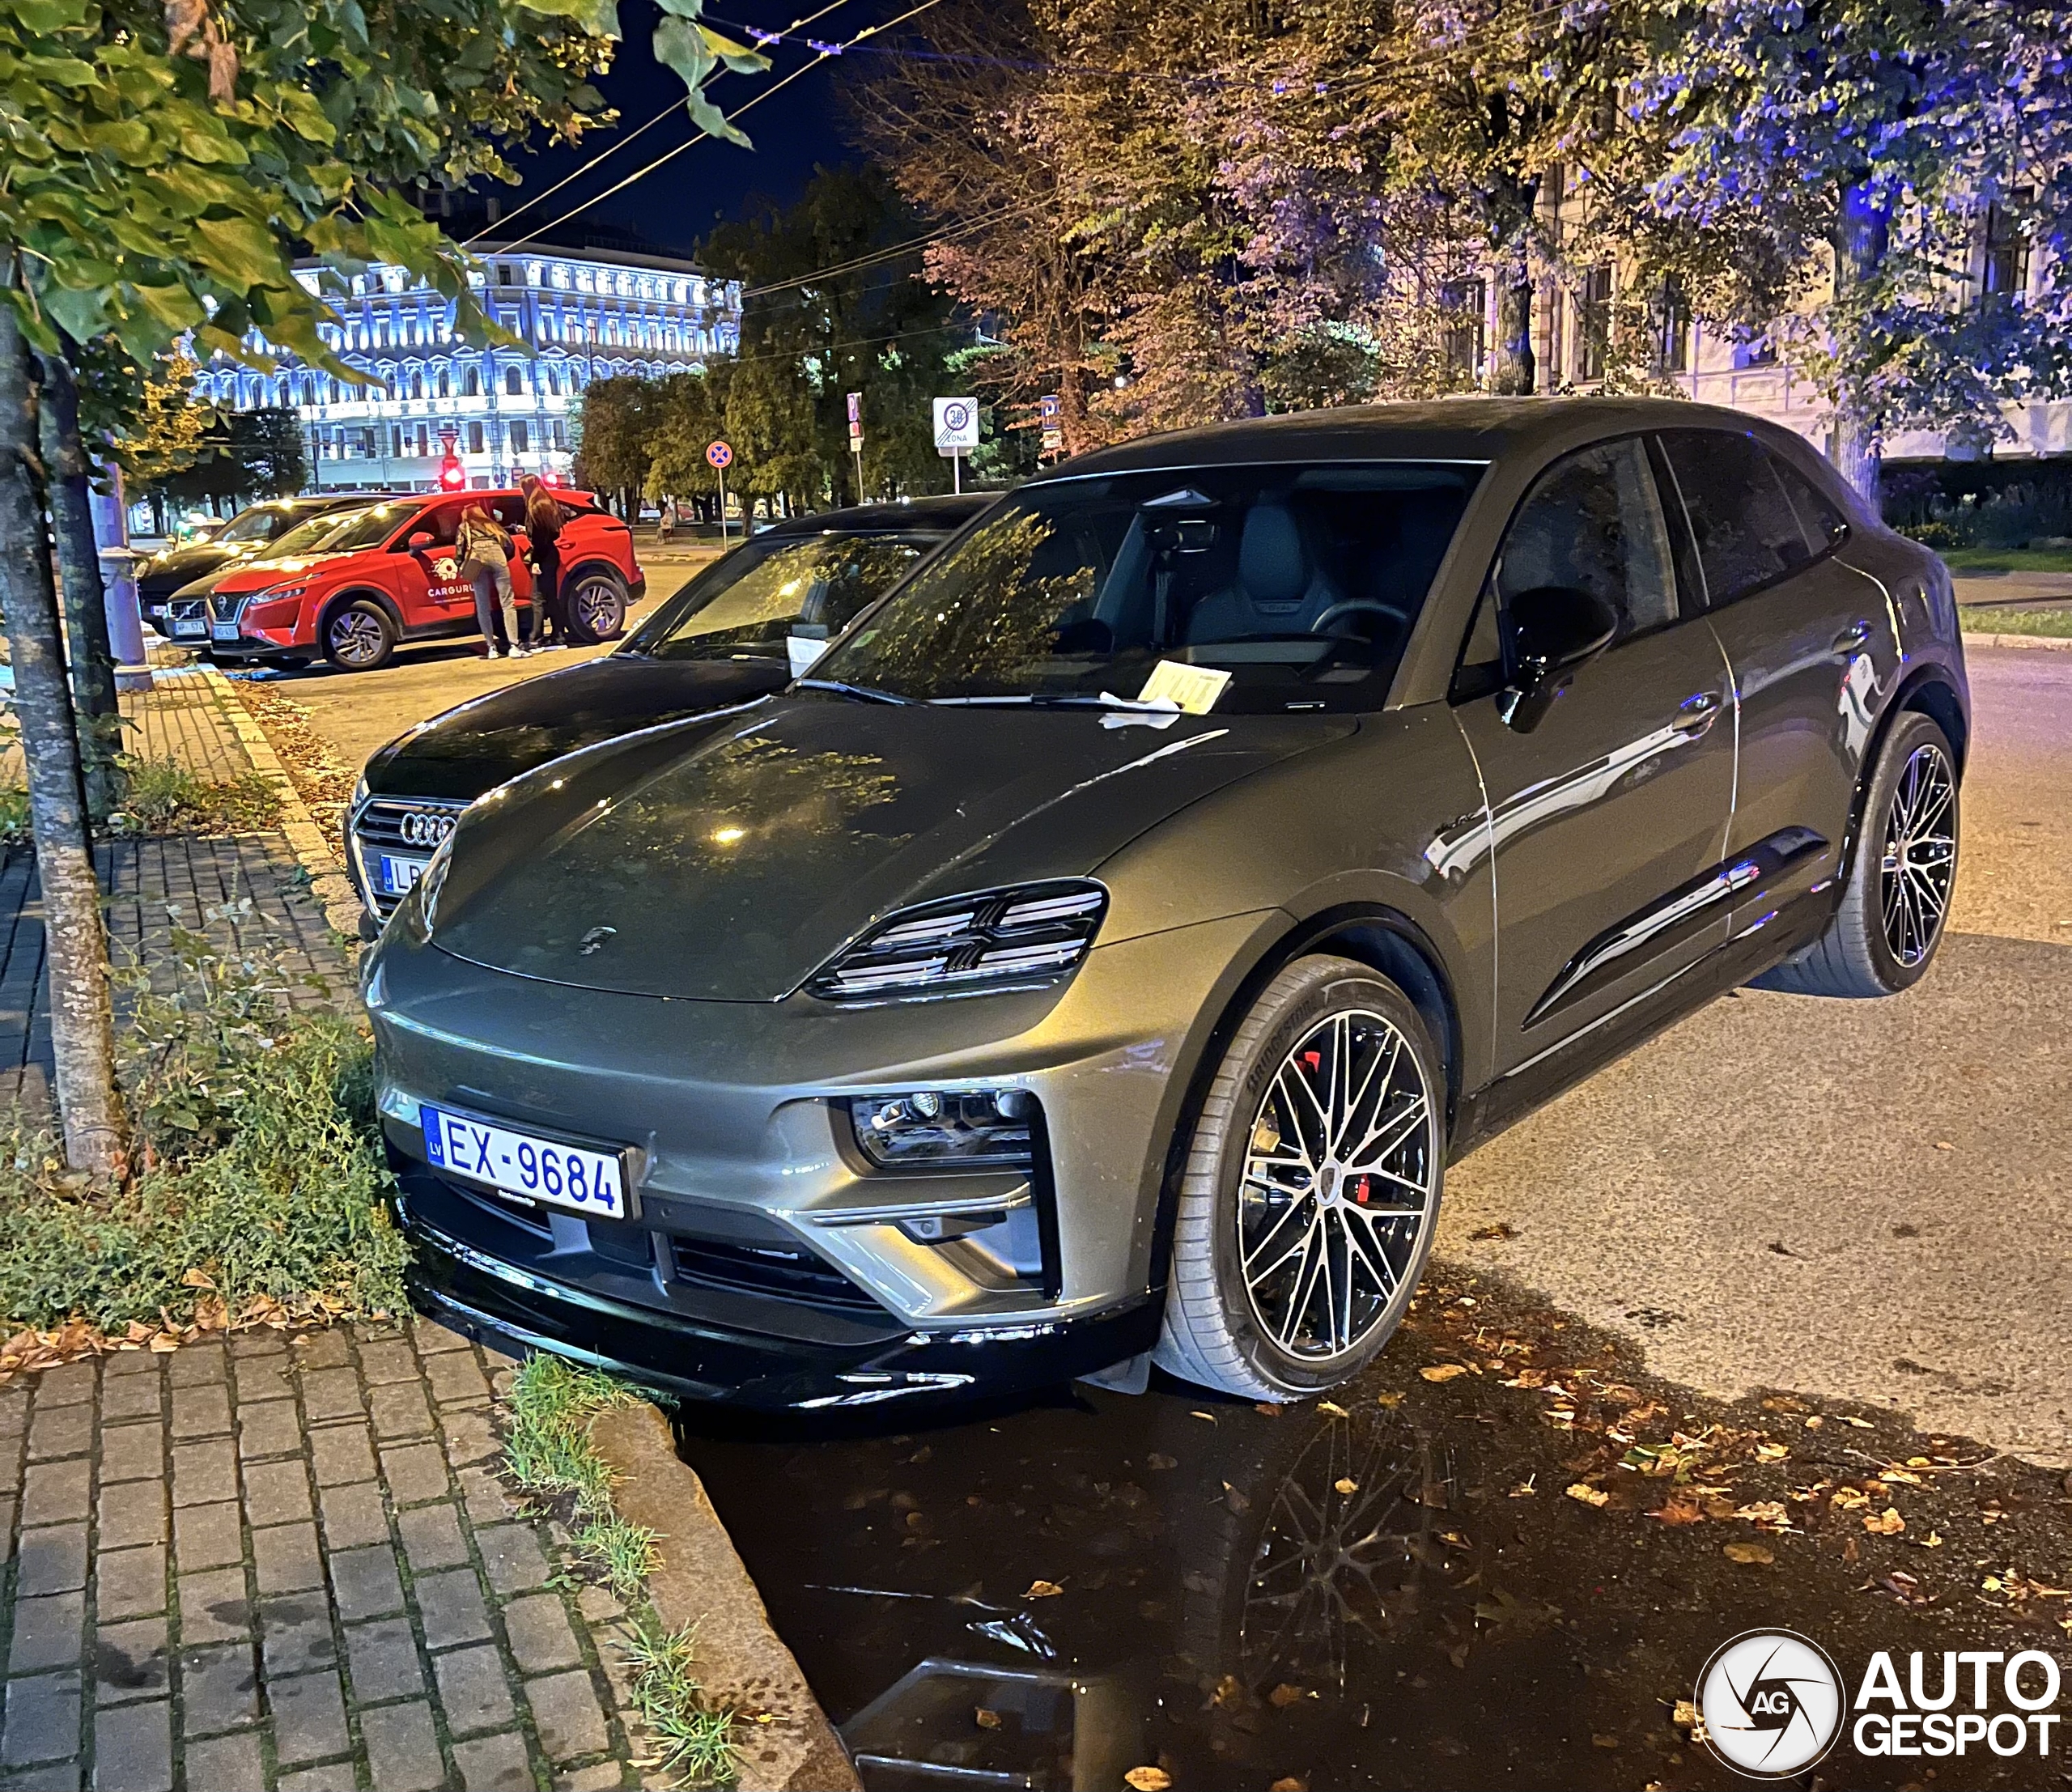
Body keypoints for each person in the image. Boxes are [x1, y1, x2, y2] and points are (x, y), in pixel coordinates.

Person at [456, 503, 522, 659]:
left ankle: (491, 647)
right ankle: (514, 645)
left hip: (477, 558)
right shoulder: (492, 525)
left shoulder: (464, 527)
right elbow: (509, 544)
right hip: (497, 555)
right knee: (507, 603)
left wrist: (460, 564)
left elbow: (460, 549)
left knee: (483, 606)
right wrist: (504, 559)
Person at [519, 475, 567, 649]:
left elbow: (540, 538)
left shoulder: (534, 507)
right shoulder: (547, 502)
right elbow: (551, 533)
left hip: (543, 555)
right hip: (551, 554)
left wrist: (536, 561)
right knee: (551, 596)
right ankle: (558, 634)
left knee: (537, 597)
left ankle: (536, 637)